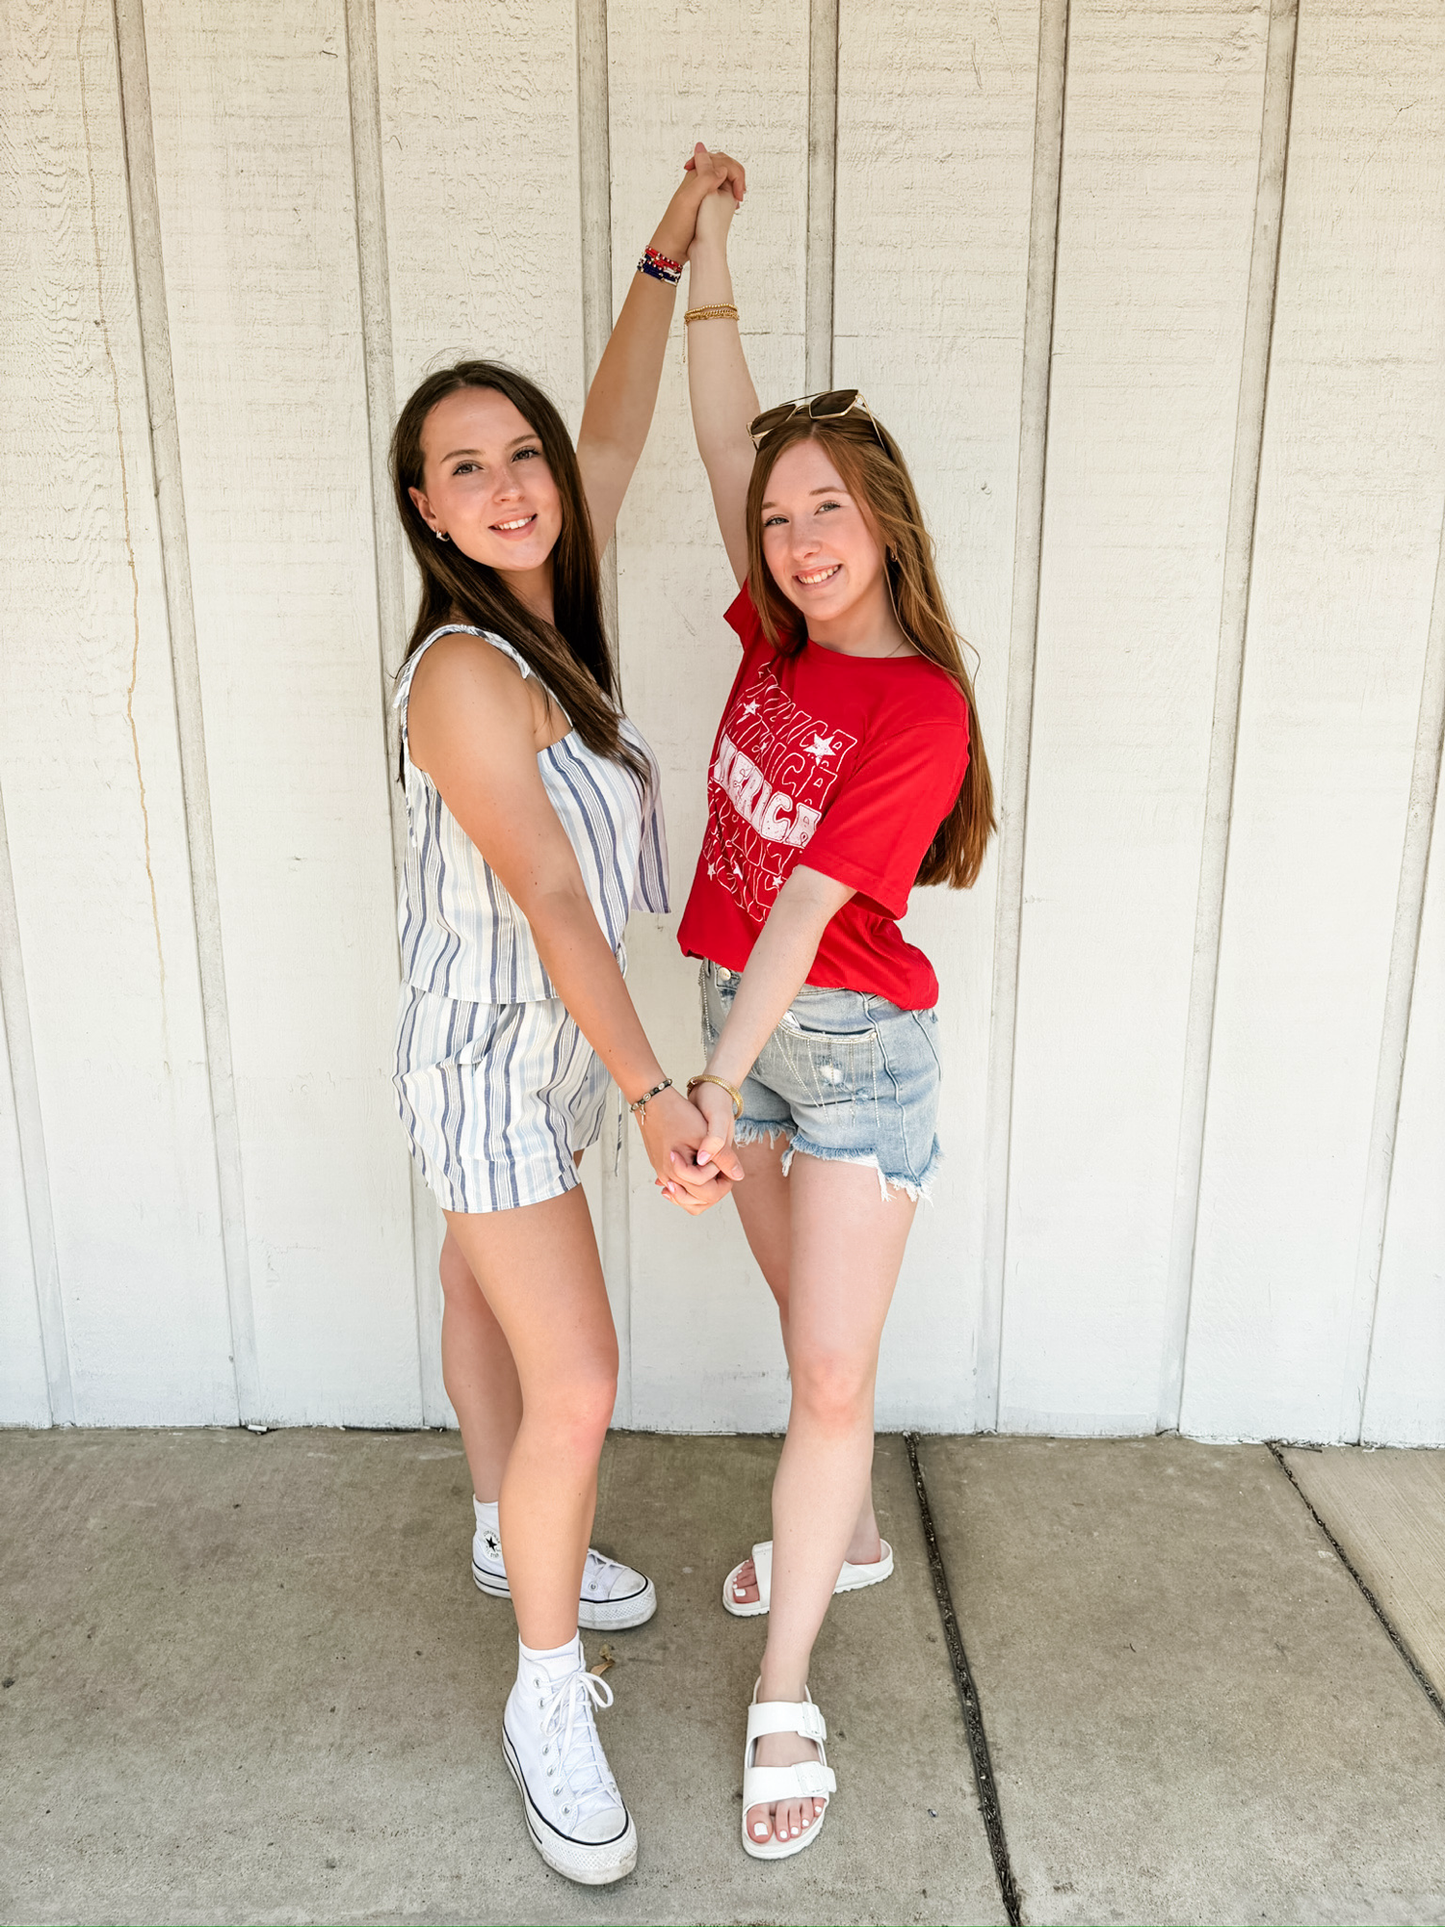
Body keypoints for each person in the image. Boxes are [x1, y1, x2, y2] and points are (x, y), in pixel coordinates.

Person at [387, 149, 746, 1886]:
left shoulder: (552, 620)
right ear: (428, 512)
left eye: (517, 452)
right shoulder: (463, 672)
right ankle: (545, 1692)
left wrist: (668, 257)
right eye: (470, 466)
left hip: (538, 1056)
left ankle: (495, 1522)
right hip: (491, 1068)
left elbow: (603, 429)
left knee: (480, 1292)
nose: (517, 481)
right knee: (583, 1377)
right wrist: (663, 1089)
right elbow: (545, 897)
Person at [667, 150, 997, 1859]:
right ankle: (841, 1526)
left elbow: (809, 898)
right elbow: (728, 441)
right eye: (781, 519)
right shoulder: (777, 641)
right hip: (747, 1018)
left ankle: (787, 1679)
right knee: (820, 1356)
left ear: (888, 522)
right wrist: (713, 246)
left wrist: (714, 1087)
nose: (795, 541)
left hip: (843, 1057)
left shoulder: (911, 704)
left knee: (827, 1375)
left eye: (828, 514)